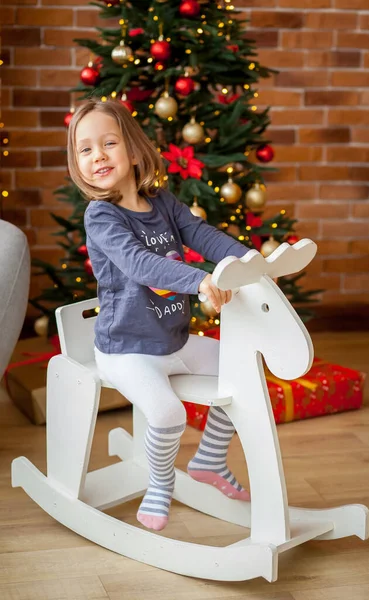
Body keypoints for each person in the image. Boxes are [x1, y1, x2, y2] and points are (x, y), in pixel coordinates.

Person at [67, 98, 251, 532]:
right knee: (169, 414)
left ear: (133, 151)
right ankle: (160, 482)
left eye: (108, 143)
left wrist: (250, 260)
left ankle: (208, 461)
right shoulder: (102, 215)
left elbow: (202, 235)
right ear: (78, 164)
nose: (98, 156)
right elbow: (138, 264)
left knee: (245, 372)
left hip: (175, 340)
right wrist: (201, 280)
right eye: (85, 149)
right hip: (127, 348)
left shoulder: (162, 202)